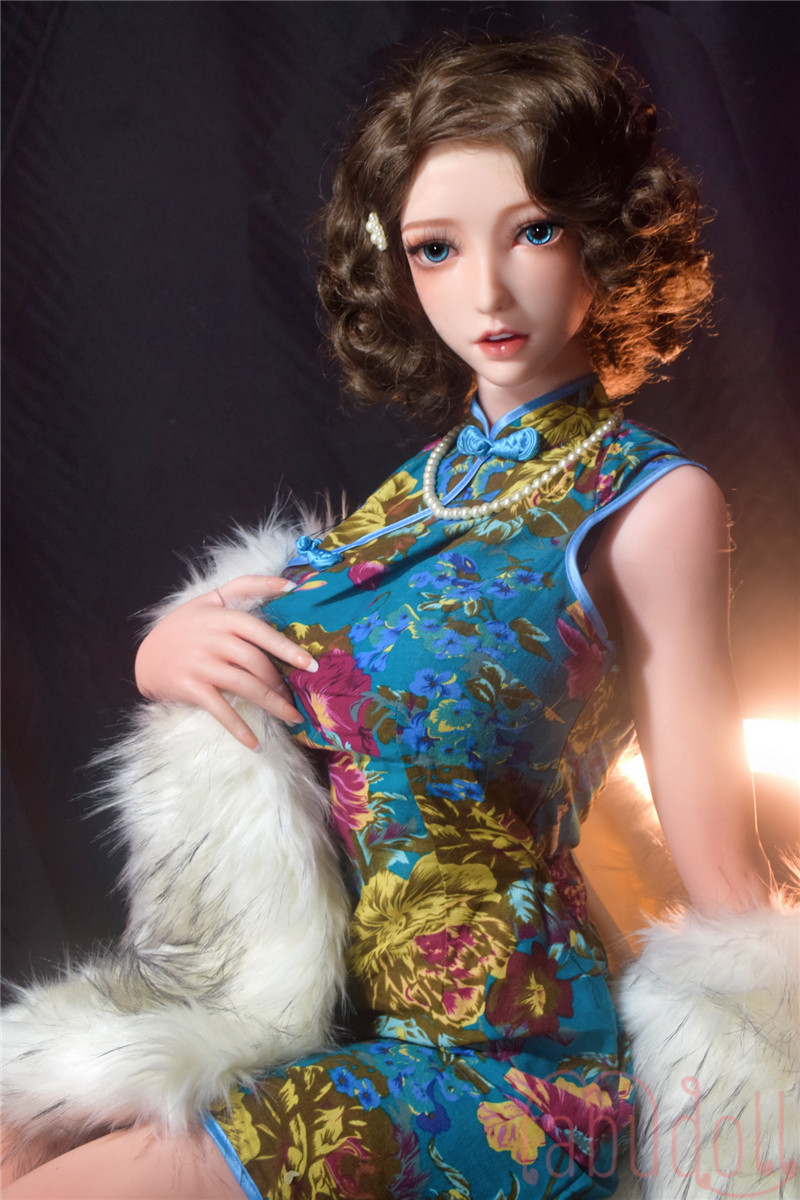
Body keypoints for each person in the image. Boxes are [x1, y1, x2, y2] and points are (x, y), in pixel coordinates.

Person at [2, 33, 788, 1200]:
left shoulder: (649, 501)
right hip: (306, 1014)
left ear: (605, 230)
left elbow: (717, 867)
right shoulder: (408, 499)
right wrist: (162, 652)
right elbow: (279, 694)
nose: (485, 292)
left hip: (497, 1059)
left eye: (533, 231)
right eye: (435, 248)